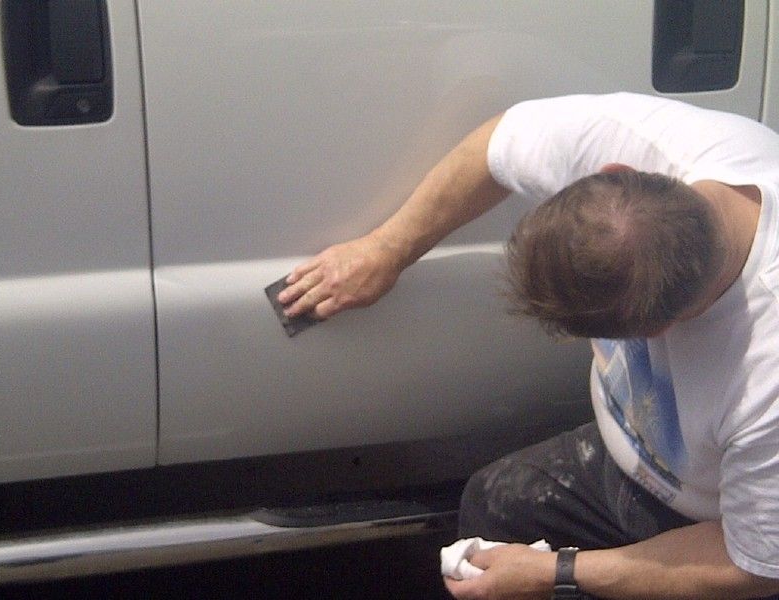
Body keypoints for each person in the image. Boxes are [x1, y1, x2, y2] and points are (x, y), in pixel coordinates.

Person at [277, 93, 779, 599]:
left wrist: (557, 573)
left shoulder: (765, 371)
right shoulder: (664, 146)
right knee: (493, 505)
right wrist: (388, 248)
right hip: (640, 459)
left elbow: (756, 567)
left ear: (660, 331)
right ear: (614, 171)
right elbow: (497, 146)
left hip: (708, 525)